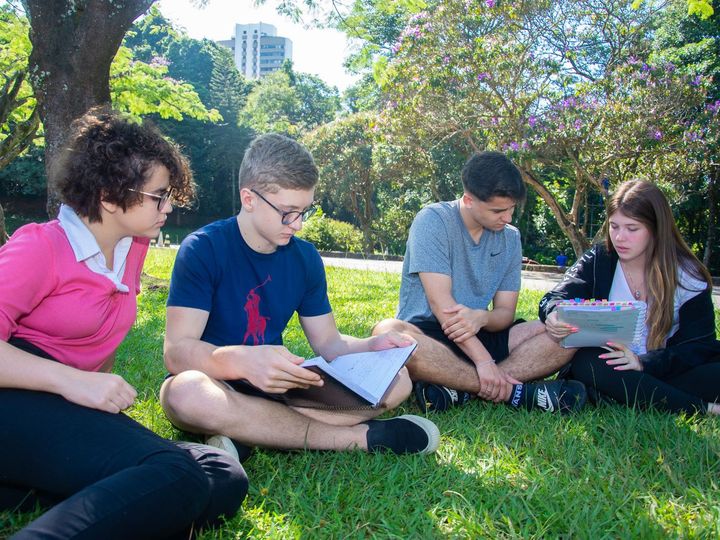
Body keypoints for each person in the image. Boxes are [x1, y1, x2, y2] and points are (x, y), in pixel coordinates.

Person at [0, 108, 248, 540]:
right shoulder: (41, 248)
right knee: (177, 475)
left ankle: (26, 490)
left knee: (223, 475)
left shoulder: (131, 248)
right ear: (109, 196)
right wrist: (71, 381)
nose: (169, 207)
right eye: (158, 195)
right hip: (15, 402)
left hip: (59, 413)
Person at [160, 133, 439, 458]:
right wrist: (241, 360)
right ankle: (360, 438)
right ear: (249, 199)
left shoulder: (304, 259)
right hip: (217, 381)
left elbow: (329, 344)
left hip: (280, 389)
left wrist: (371, 345)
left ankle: (244, 432)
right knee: (184, 394)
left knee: (399, 380)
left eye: (304, 211)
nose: (299, 225)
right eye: (288, 212)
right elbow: (177, 354)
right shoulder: (203, 249)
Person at [373, 151, 586, 413]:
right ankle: (516, 393)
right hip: (430, 334)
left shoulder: (510, 237)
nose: (507, 218)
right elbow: (443, 308)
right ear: (469, 200)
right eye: (498, 210)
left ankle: (459, 388)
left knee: (567, 332)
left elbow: (505, 313)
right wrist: (484, 362)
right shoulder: (433, 221)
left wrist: (481, 318)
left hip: (481, 333)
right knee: (388, 332)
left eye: (511, 209)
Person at [540, 180, 720, 415]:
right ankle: (701, 408)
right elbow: (556, 295)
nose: (620, 237)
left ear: (656, 229)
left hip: (665, 367)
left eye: (632, 229)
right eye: (614, 226)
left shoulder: (687, 275)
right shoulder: (601, 259)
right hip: (610, 364)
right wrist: (553, 312)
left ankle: (618, 394)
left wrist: (644, 363)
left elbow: (699, 346)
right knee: (586, 361)